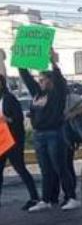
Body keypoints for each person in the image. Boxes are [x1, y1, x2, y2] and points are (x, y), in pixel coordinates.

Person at [18, 49, 79, 212]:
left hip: (55, 134)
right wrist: (21, 59)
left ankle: (71, 197)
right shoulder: (37, 94)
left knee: (60, 167)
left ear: (50, 81)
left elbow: (59, 79)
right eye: (39, 80)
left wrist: (53, 62)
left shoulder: (57, 94)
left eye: (43, 80)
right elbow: (26, 77)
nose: (40, 82)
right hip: (39, 135)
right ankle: (46, 200)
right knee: (45, 169)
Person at [0, 69, 39, 210]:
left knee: (20, 168)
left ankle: (34, 197)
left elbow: (18, 118)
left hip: (13, 139)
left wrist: (7, 119)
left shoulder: (9, 98)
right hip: (1, 139)